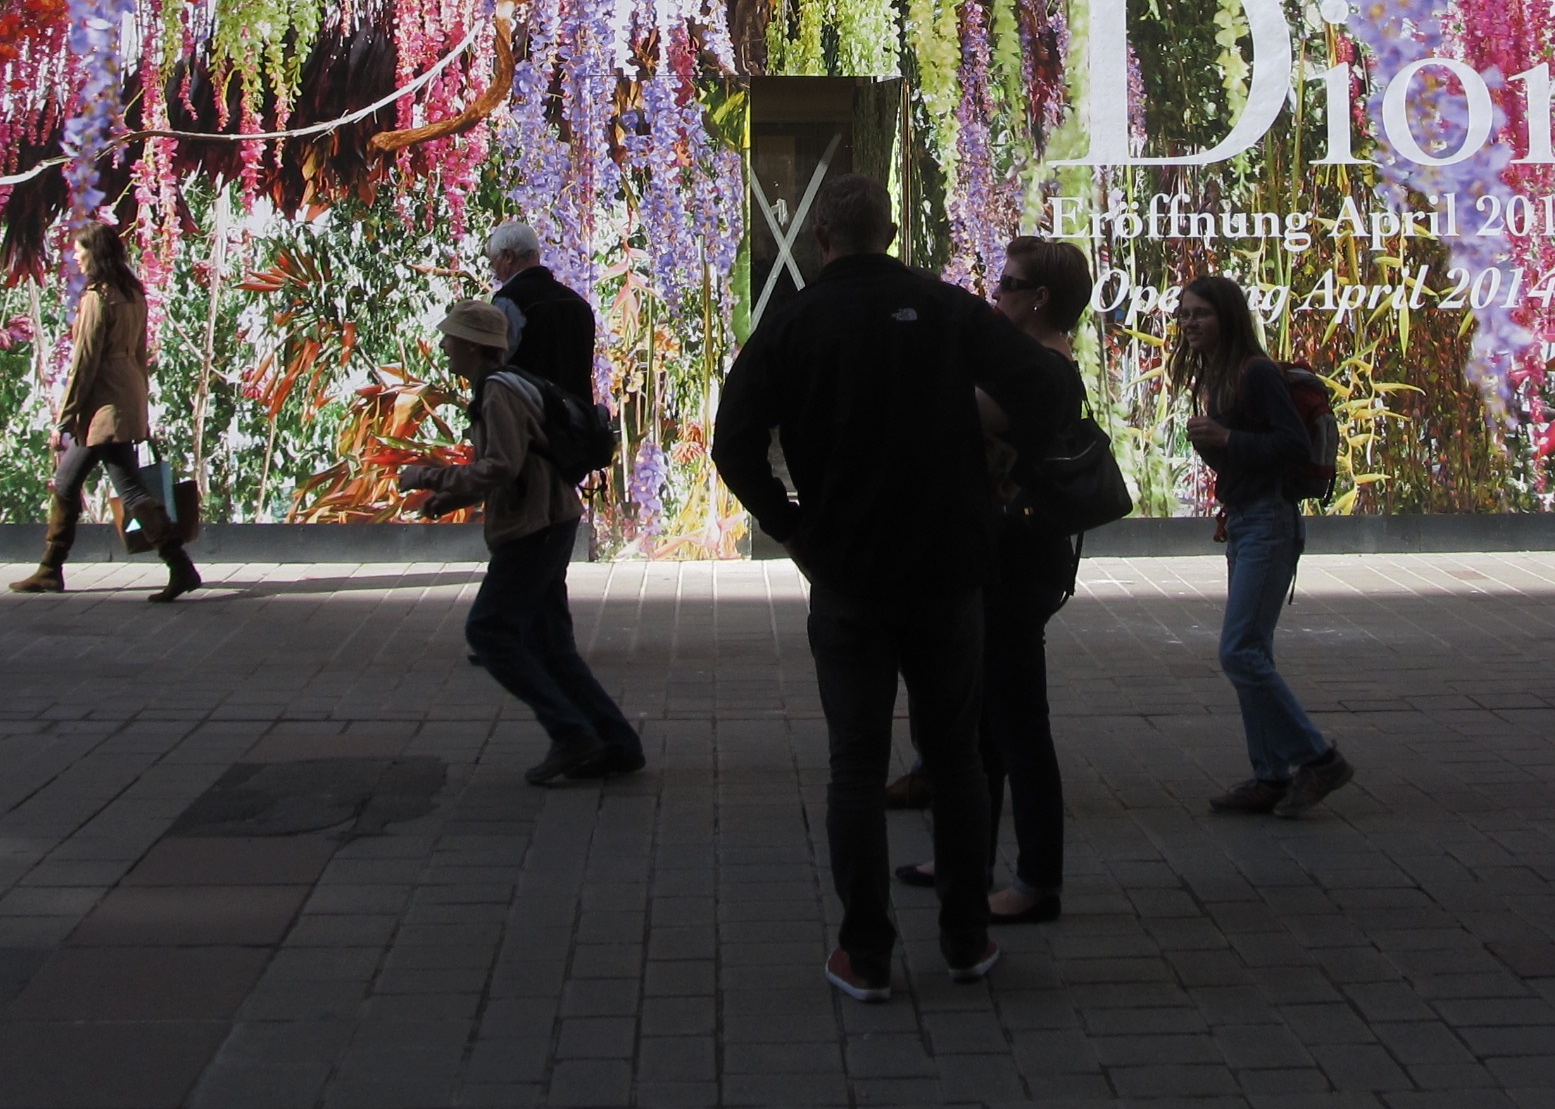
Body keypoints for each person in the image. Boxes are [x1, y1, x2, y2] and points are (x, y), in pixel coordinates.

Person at [714, 174, 1074, 1004]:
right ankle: (965, 939)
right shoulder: (946, 309)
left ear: (822, 240)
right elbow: (1047, 386)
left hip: (847, 572)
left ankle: (866, 952)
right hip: (948, 567)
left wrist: (792, 527)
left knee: (856, 765)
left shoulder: (794, 322)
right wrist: (1006, 467)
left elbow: (734, 442)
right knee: (955, 758)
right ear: (891, 230)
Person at [896, 234, 1095, 925]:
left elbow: (954, 412)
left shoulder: (1040, 369)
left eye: (1007, 283)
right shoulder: (1034, 361)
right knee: (984, 720)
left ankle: (1036, 879)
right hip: (1004, 551)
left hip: (1017, 556)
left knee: (1016, 722)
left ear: (1039, 298)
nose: (994, 293)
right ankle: (966, 857)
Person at [401, 298, 643, 786]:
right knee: (552, 646)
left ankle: (571, 735)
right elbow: (515, 462)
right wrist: (448, 499)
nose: (444, 346)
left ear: (473, 346)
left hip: (534, 526)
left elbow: (501, 466)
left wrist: (428, 476)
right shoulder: (508, 384)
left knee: (489, 632)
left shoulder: (497, 392)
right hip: (552, 518)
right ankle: (617, 742)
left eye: (451, 338)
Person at [1177, 273, 1352, 819]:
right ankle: (1270, 775)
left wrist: (1226, 437)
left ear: (1227, 318)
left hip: (1269, 522)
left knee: (1240, 652)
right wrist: (1215, 444)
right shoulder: (1221, 378)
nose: (1189, 324)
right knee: (1253, 650)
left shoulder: (1254, 373)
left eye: (1201, 313)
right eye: (1185, 314)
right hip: (1246, 521)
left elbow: (1290, 443)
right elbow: (1243, 457)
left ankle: (1318, 758)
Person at [8, 224, 200, 602]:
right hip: (125, 396)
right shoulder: (133, 293)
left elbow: (85, 362)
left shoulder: (98, 298)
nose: (76, 257)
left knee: (102, 485)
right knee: (78, 481)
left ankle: (177, 565)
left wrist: (66, 416)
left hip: (103, 406)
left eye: (80, 251)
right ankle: (51, 568)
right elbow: (140, 354)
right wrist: (139, 407)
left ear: (95, 253)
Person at [488, 219, 597, 406]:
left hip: (529, 416)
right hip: (578, 418)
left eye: (493, 262)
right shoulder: (579, 304)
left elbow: (496, 365)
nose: (495, 274)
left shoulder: (508, 301)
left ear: (508, 256)